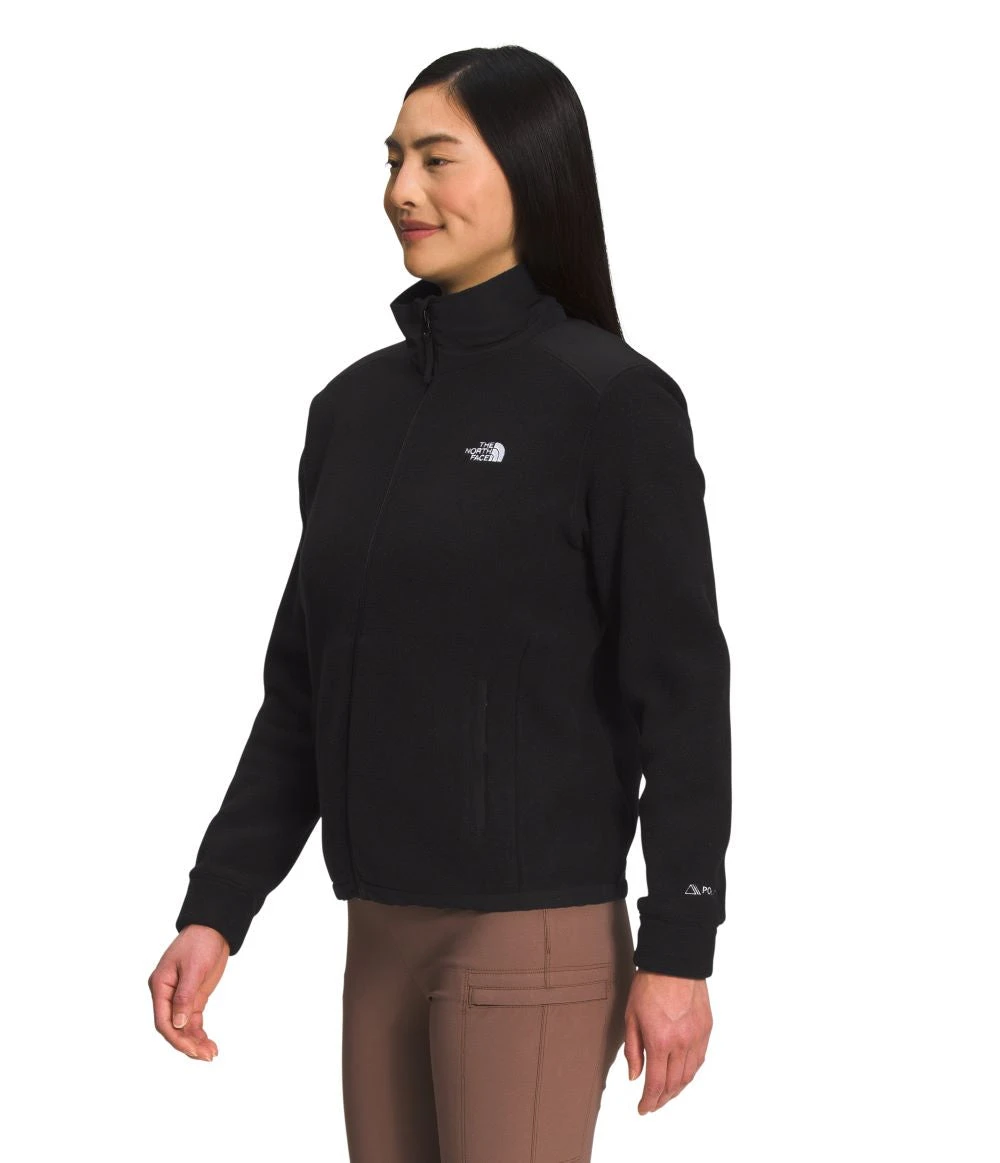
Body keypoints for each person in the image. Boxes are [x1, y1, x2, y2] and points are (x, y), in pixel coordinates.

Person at [149, 45, 732, 1163]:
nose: (402, 191)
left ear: (530, 173)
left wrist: (681, 944)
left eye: (436, 158)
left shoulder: (611, 402)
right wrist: (217, 906)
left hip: (530, 930)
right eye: (392, 160)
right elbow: (302, 691)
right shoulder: (352, 411)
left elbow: (681, 689)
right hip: (378, 933)